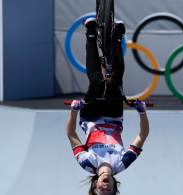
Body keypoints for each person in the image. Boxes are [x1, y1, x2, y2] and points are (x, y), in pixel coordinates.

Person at [66, 18, 150, 195]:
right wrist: (142, 112)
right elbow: (142, 136)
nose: (105, 187)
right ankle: (118, 36)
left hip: (90, 116)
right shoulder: (122, 163)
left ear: (95, 185)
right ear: (114, 186)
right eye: (108, 190)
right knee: (115, 80)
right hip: (113, 117)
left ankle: (90, 32)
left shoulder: (87, 163)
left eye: (100, 190)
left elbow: (71, 134)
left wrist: (74, 110)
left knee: (96, 81)